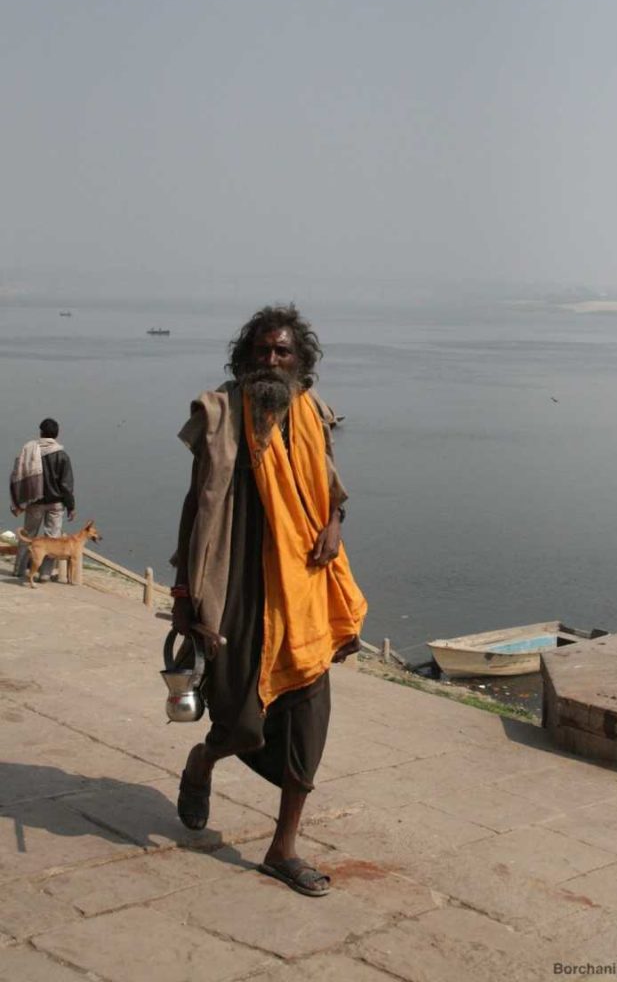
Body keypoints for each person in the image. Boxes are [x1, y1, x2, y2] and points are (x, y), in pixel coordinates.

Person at [171, 304, 367, 897]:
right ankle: (205, 760)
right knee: (242, 723)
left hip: (302, 590)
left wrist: (334, 523)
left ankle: (283, 849)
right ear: (245, 357)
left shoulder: (313, 415)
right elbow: (196, 506)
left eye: (282, 352)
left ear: (299, 360)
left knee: (308, 724)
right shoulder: (221, 415)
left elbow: (329, 489)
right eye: (262, 350)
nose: (271, 360)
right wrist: (183, 593)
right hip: (236, 590)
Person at [10, 418, 76, 581]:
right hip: (55, 504)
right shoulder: (62, 456)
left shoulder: (30, 450)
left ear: (41, 433)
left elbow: (18, 473)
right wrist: (71, 506)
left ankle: (19, 570)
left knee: (28, 535)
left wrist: (19, 500)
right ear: (57, 434)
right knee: (52, 538)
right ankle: (45, 574)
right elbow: (66, 485)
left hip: (34, 502)